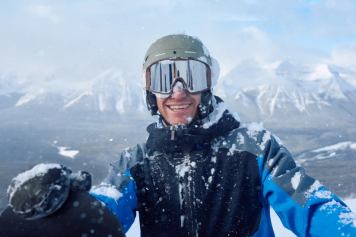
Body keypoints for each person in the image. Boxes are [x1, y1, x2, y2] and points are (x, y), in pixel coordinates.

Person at [3, 34, 356, 237]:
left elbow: (313, 206)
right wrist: (68, 211)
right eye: (163, 79)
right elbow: (109, 208)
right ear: (149, 90)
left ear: (208, 84)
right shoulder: (138, 162)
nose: (178, 91)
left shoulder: (255, 149)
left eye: (191, 76)